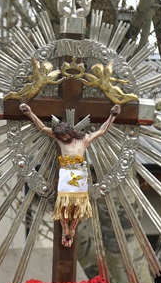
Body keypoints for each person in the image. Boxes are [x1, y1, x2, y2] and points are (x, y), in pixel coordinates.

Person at [19, 101, 121, 246]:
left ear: (70, 132)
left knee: (79, 204)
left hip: (79, 173)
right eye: (61, 137)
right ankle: (65, 229)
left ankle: (72, 228)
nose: (64, 139)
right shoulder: (60, 140)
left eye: (65, 136)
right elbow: (42, 128)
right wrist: (28, 112)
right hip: (66, 174)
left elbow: (102, 131)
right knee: (63, 204)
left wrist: (113, 116)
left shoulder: (84, 140)